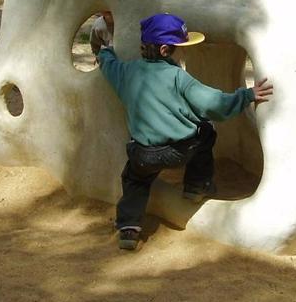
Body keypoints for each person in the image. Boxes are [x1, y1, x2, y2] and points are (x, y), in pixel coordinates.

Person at [97, 13, 273, 251]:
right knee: (206, 130)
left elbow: (109, 66)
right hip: (180, 152)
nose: (182, 53)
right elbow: (213, 104)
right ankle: (197, 185)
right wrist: (247, 95)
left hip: (143, 154)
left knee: (134, 179)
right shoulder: (179, 77)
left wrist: (105, 52)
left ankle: (129, 227)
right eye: (179, 48)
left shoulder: (127, 73)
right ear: (164, 51)